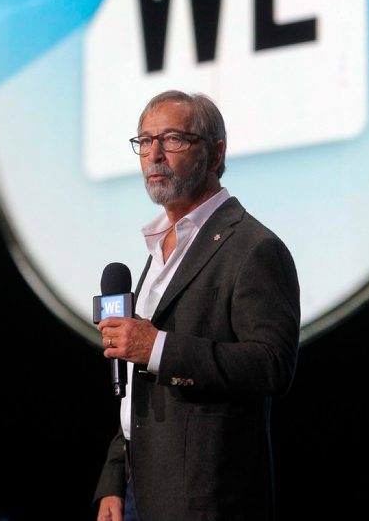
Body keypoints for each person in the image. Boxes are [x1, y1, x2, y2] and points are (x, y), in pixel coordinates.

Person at [94, 90, 300, 521]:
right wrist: (115, 478)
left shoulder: (253, 247)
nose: (154, 155)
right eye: (144, 141)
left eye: (172, 140)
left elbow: (272, 364)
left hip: (205, 499)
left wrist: (158, 349)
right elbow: (137, 382)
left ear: (215, 151)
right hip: (137, 492)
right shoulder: (158, 249)